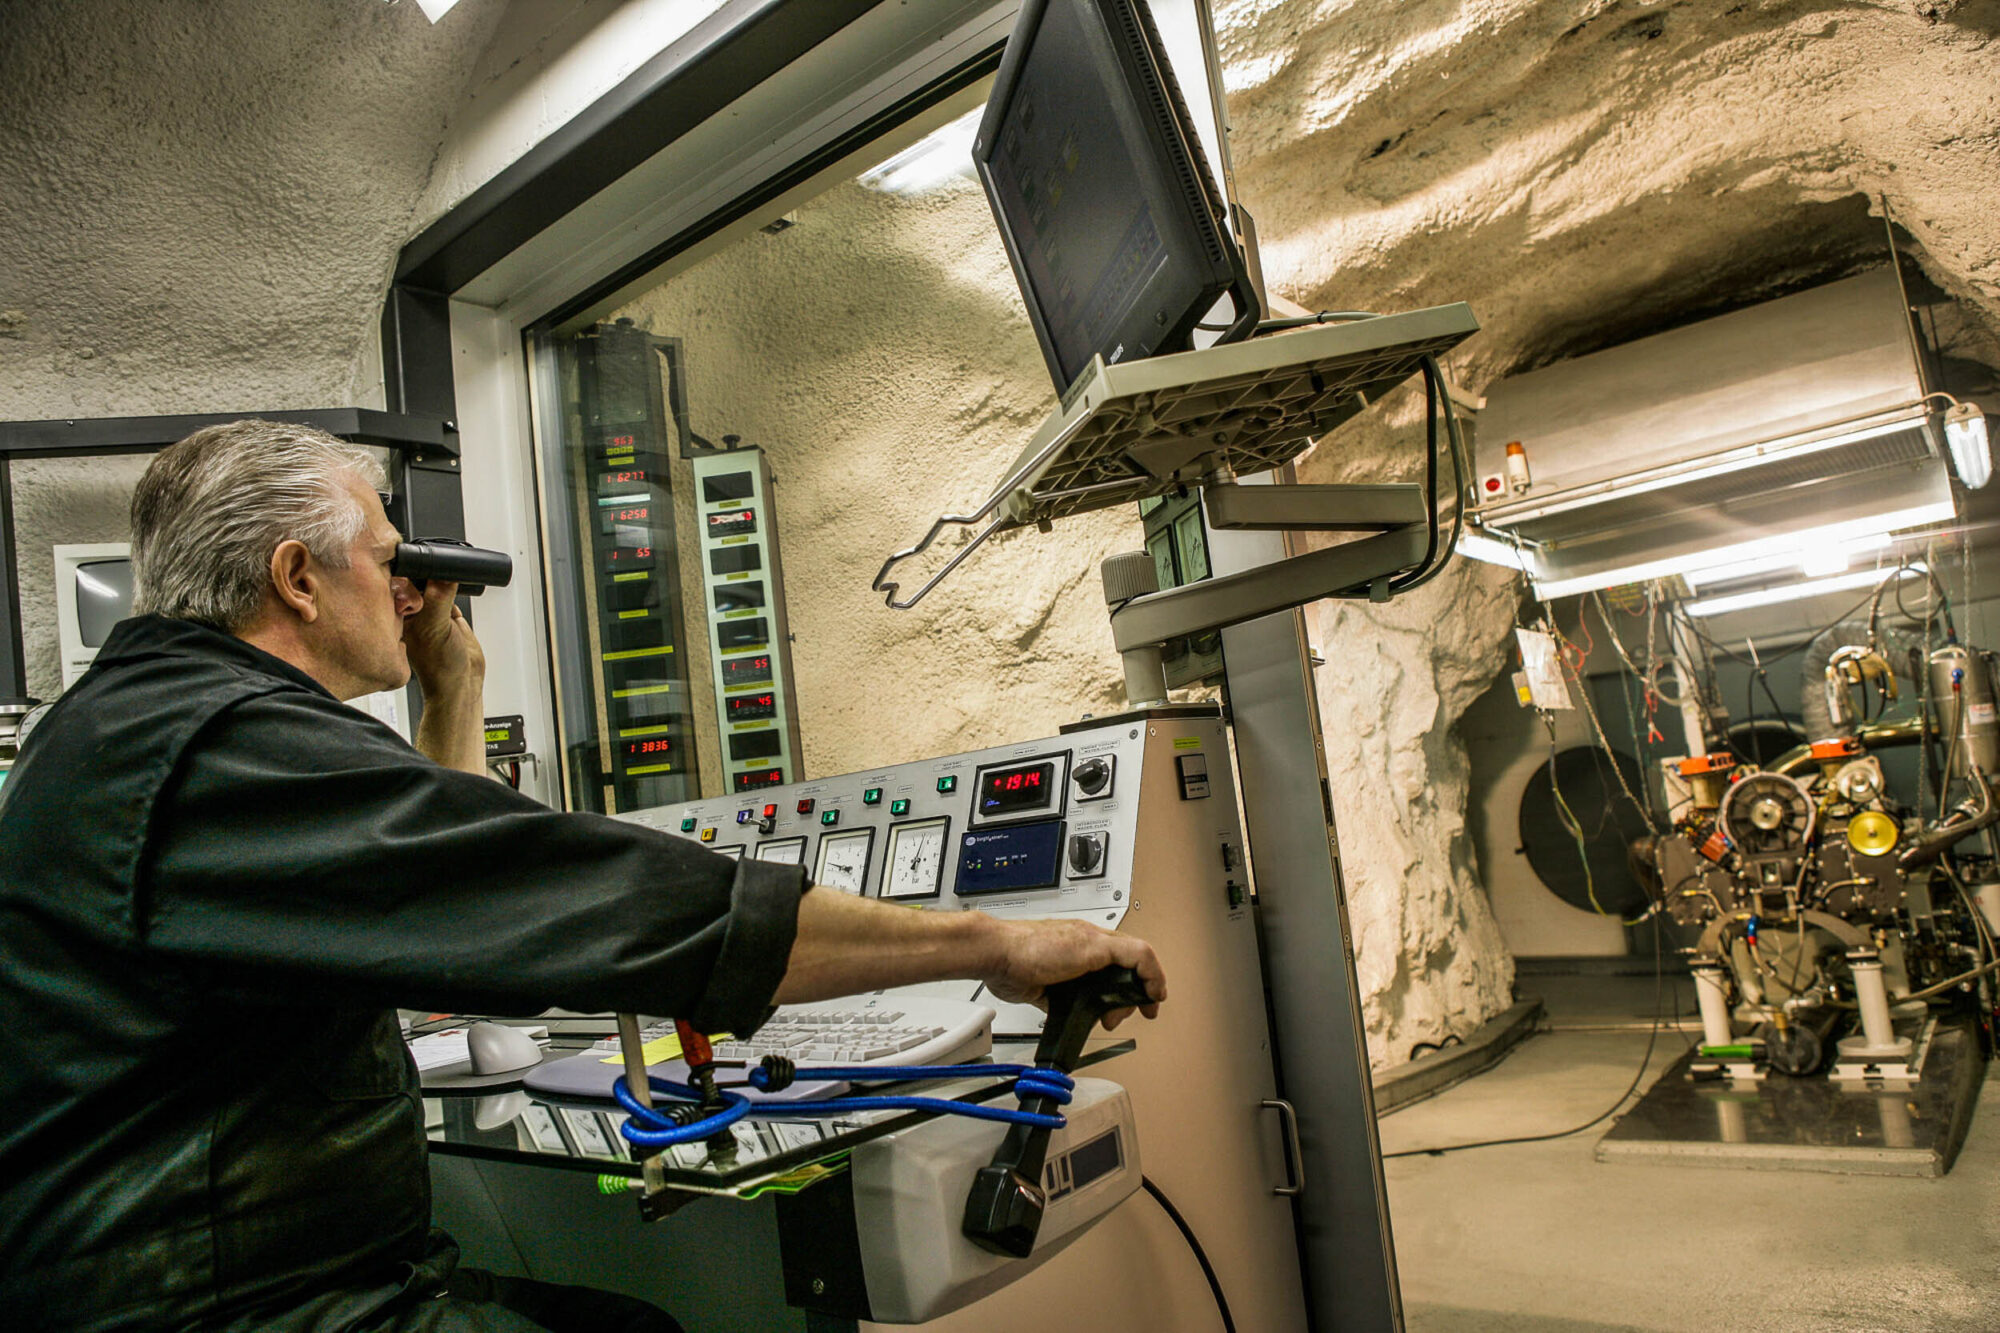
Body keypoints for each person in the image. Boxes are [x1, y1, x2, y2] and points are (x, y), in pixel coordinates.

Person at [0, 419, 1165, 1332]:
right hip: (234, 1305)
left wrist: (450, 686)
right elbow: (609, 905)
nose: (407, 588)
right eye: (390, 559)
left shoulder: (130, 727)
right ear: (299, 577)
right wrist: (995, 944)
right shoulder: (229, 749)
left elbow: (419, 895)